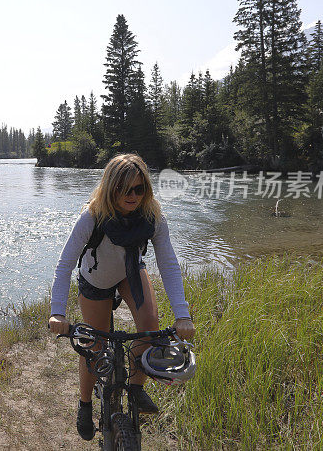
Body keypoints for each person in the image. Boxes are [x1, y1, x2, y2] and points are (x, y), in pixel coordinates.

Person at [48, 153, 195, 441]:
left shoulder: (153, 217)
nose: (133, 196)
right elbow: (65, 264)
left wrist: (183, 315)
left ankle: (137, 388)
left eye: (139, 189)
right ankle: (85, 403)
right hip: (96, 279)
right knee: (93, 344)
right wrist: (58, 312)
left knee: (150, 326)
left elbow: (168, 264)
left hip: (130, 273)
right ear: (110, 187)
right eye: (124, 189)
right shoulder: (92, 216)